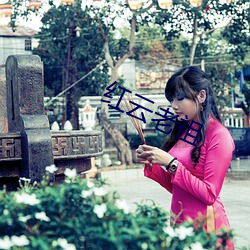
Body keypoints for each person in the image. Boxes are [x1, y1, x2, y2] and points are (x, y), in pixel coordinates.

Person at [136, 66, 235, 248]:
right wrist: (153, 162)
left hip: (206, 225)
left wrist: (171, 163)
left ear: (201, 96)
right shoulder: (184, 130)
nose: (174, 105)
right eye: (172, 99)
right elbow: (177, 187)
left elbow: (209, 194)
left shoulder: (218, 136)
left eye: (180, 98)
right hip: (180, 220)